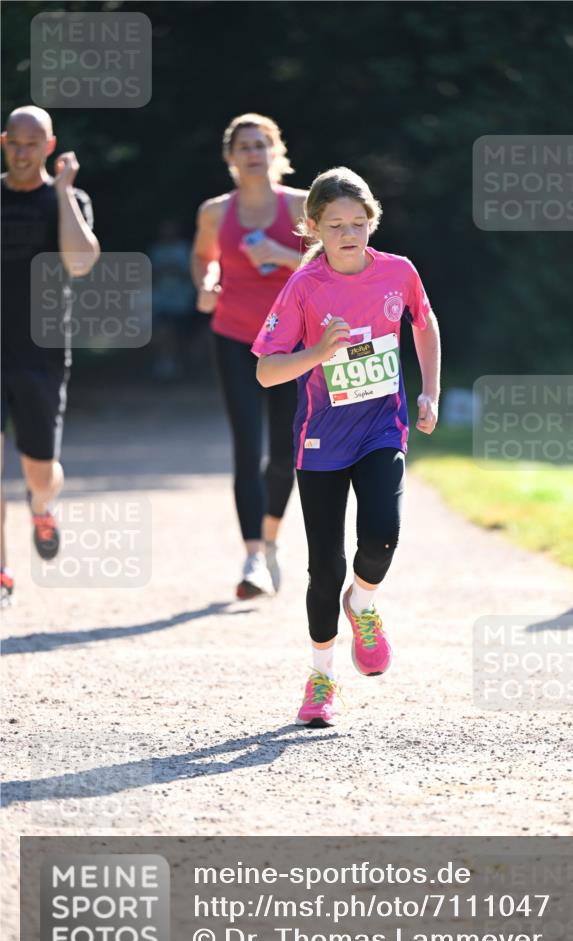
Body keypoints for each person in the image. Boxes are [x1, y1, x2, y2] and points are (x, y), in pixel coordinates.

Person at [253, 167, 441, 727]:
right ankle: (321, 679)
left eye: (358, 223)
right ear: (313, 228)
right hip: (321, 441)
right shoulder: (305, 287)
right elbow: (266, 371)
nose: (349, 233)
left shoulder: (399, 273)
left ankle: (363, 604)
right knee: (323, 568)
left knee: (383, 532)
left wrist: (429, 391)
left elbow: (424, 326)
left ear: (372, 222)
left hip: (382, 427)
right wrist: (318, 351)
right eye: (335, 225)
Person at [192, 113, 306, 599]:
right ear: (231, 158)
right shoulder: (216, 212)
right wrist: (207, 282)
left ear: (275, 151)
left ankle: (272, 540)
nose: (254, 153)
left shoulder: (302, 205)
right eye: (244, 146)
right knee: (245, 446)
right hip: (235, 336)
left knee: (285, 455)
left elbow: (336, 264)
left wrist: (282, 254)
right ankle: (253, 556)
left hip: (292, 344)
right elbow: (203, 256)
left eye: (262, 144)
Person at [1, 106, 99, 606]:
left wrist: (61, 193)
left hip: (39, 349)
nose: (22, 152)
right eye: (14, 142)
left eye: (32, 143)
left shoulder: (67, 199)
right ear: (3, 142)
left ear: (50, 145)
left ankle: (41, 505)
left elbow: (81, 262)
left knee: (40, 469)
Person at [148, 219, 196, 382]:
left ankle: (178, 365)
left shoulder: (184, 249)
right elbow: (151, 276)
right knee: (163, 331)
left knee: (179, 335)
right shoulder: (157, 250)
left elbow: (192, 274)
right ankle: (165, 364)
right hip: (162, 300)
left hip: (181, 301)